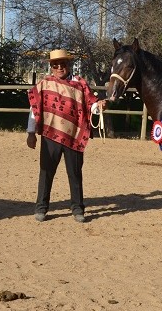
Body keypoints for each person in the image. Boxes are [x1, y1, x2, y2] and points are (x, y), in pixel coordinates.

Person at [26, 49, 107, 223]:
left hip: (74, 135)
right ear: (51, 67)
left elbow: (90, 104)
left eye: (62, 64)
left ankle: (78, 208)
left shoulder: (80, 84)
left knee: (75, 173)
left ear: (68, 65)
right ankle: (41, 207)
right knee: (46, 172)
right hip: (50, 135)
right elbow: (34, 110)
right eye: (55, 65)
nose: (59, 68)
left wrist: (98, 107)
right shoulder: (44, 85)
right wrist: (30, 132)